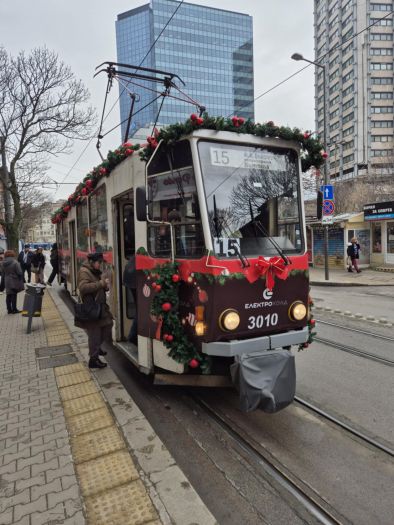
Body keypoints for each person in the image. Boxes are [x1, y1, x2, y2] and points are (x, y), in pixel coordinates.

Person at [75, 252, 113, 368]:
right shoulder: (84, 271)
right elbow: (83, 288)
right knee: (94, 334)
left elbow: (98, 286)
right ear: (92, 262)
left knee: (108, 325)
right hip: (91, 308)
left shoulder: (94, 271)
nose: (100, 265)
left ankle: (96, 347)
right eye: (98, 263)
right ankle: (93, 359)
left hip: (99, 307)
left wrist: (104, 286)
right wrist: (101, 283)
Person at [122, 254, 137, 345]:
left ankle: (133, 335)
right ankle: (132, 336)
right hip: (133, 281)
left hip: (130, 280)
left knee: (139, 309)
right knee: (141, 310)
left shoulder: (134, 257)